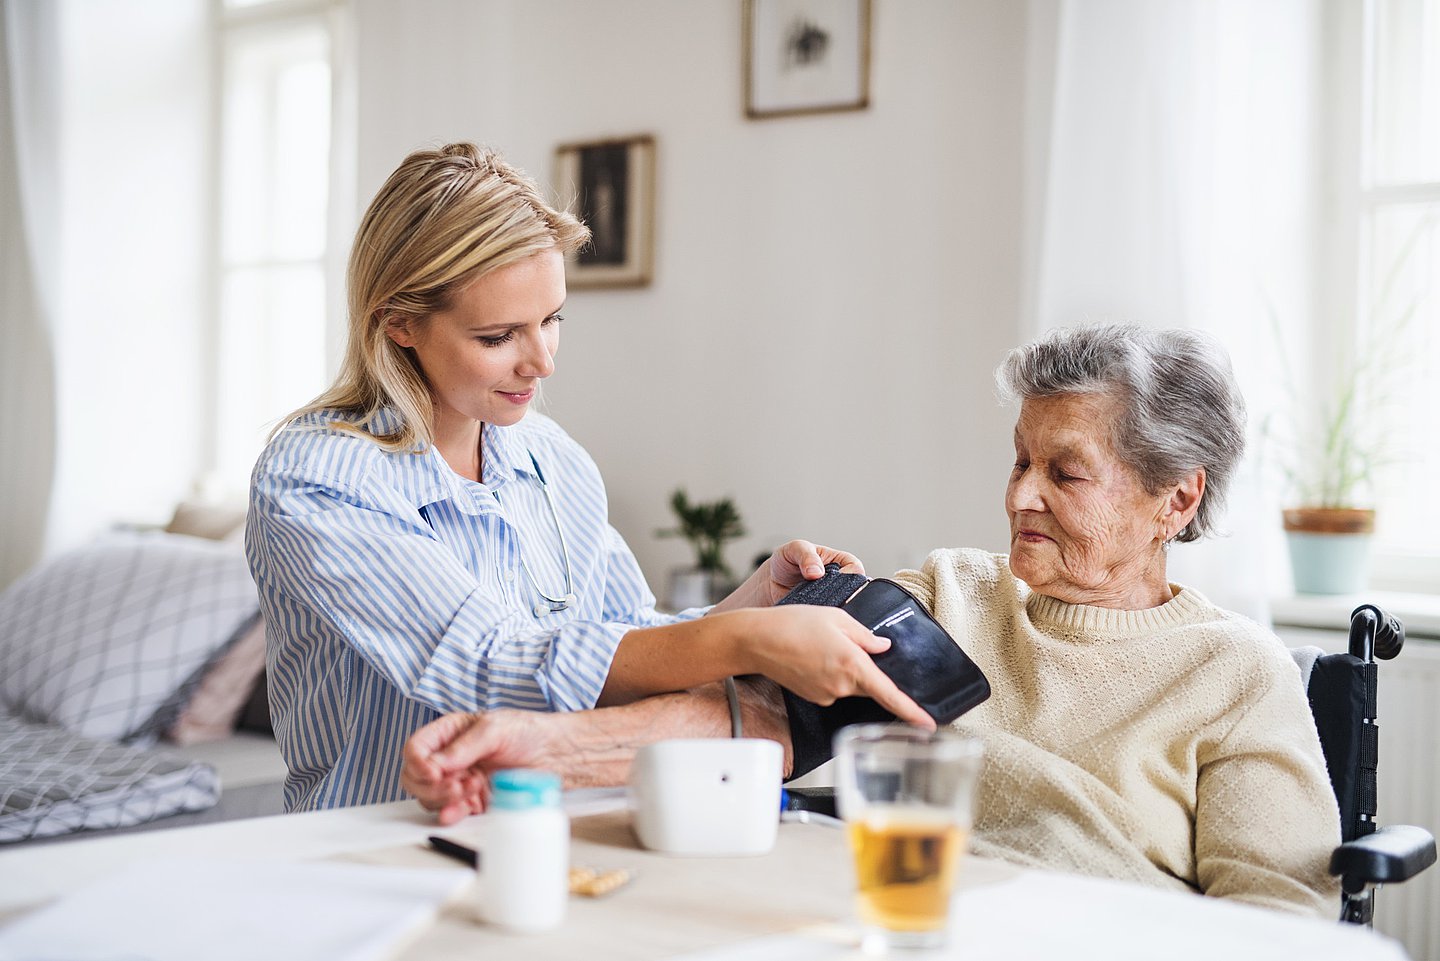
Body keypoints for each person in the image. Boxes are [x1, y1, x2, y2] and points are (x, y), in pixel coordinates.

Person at [401, 324, 1342, 918]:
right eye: (1018, 460)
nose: (1019, 494)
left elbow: (1278, 917)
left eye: (1065, 473)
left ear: (1176, 499)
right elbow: (755, 720)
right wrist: (532, 744)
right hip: (894, 922)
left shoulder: (1233, 671)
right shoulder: (951, 592)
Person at [246, 143, 929, 814]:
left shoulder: (551, 457)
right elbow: (492, 664)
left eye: (553, 319)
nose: (541, 362)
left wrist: (756, 605)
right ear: (398, 322)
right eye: (498, 337)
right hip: (373, 848)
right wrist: (746, 640)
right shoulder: (315, 479)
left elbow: (620, 645)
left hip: (562, 830)